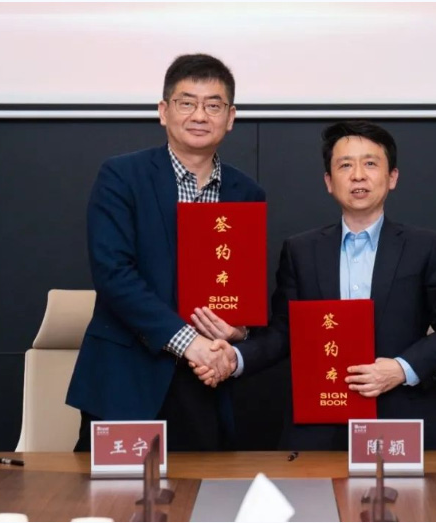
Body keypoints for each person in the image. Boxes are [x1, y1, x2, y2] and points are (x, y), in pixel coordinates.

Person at [192, 121, 436, 451]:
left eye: (370, 163)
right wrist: (236, 358)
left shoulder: (424, 247)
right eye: (345, 165)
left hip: (404, 414)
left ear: (392, 177)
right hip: (322, 419)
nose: (358, 175)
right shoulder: (301, 250)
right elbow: (284, 333)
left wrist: (400, 369)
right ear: (329, 181)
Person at [66, 54, 265, 452]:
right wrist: (188, 341)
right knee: (117, 492)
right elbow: (113, 273)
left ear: (230, 117)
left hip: (206, 382)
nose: (200, 115)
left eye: (213, 105)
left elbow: (244, 289)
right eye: (186, 102)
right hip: (128, 380)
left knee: (203, 491)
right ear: (163, 111)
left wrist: (238, 333)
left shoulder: (247, 193)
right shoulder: (122, 176)